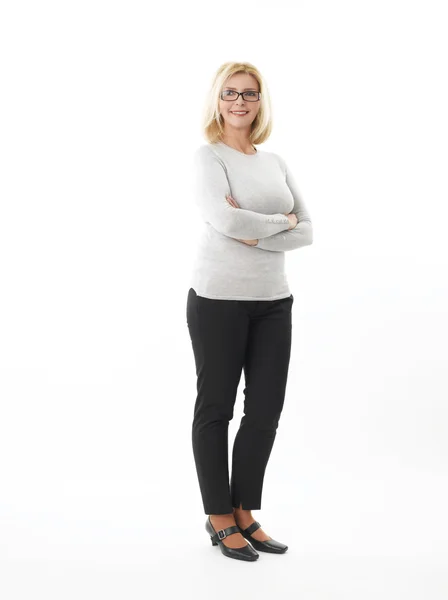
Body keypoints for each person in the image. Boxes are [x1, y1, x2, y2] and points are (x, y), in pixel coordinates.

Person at [186, 61, 313, 561]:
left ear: (261, 102)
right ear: (218, 100)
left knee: (264, 412)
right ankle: (219, 516)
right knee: (215, 408)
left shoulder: (274, 161)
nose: (240, 102)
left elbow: (306, 229)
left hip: (273, 303)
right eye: (231, 93)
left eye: (250, 94)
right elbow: (220, 217)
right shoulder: (207, 157)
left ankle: (245, 511)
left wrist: (252, 227)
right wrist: (276, 224)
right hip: (217, 299)